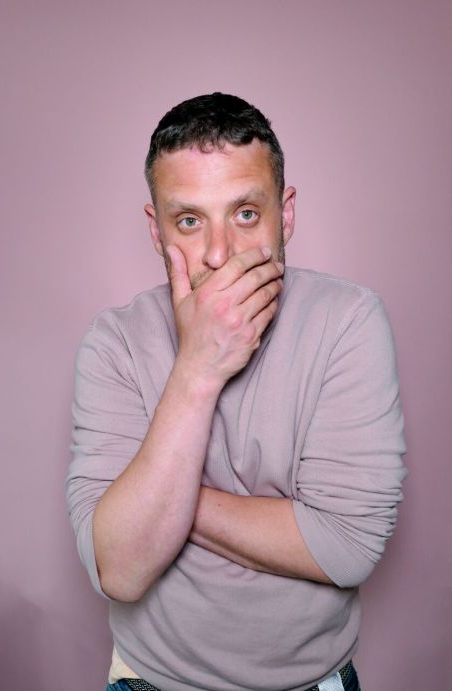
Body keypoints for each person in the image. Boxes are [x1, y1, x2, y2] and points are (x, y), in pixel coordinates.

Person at [66, 93, 407, 691]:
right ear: (156, 229)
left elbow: (348, 545)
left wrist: (162, 505)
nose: (219, 253)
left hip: (314, 682)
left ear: (286, 214)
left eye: (246, 213)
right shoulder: (114, 341)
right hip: (150, 681)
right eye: (189, 221)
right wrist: (197, 369)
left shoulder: (348, 321)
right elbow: (119, 568)